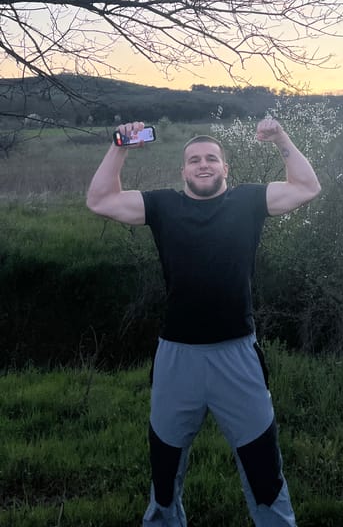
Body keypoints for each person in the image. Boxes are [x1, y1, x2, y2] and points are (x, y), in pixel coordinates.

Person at [86, 118, 321, 527]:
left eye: (212, 158)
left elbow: (306, 187)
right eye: (194, 159)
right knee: (164, 472)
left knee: (264, 471)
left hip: (237, 355)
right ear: (183, 171)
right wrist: (120, 145)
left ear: (225, 168)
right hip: (178, 357)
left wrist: (281, 137)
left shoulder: (249, 201)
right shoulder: (162, 206)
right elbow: (100, 200)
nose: (203, 164)